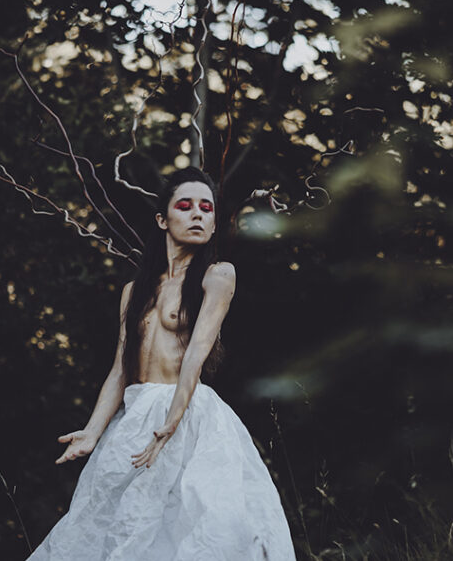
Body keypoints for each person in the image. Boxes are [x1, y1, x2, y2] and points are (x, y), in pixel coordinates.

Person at [26, 166, 296, 560]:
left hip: (188, 414)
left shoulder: (218, 276)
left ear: (214, 223)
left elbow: (196, 354)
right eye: (185, 206)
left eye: (206, 208)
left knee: (192, 529)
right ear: (162, 220)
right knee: (118, 526)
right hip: (136, 415)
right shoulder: (133, 291)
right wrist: (92, 431)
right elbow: (120, 369)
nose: (197, 214)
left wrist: (171, 422)